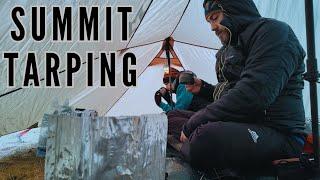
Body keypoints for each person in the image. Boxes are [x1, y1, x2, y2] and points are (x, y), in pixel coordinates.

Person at [168, 0, 307, 170]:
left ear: (234, 10)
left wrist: (195, 122)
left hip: (280, 133)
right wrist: (204, 89)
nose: (212, 27)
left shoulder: (274, 33)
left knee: (204, 137)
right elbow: (232, 93)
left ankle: (190, 149)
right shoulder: (231, 48)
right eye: (209, 21)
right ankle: (189, 148)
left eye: (215, 18)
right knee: (170, 118)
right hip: (245, 122)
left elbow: (253, 95)